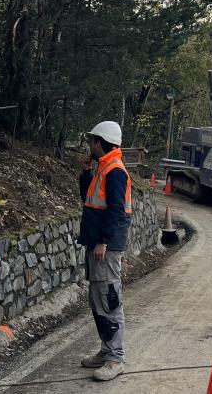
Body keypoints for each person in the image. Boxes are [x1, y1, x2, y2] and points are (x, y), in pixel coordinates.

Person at [78, 121, 132, 382]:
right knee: (98, 299)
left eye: (91, 141)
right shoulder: (103, 167)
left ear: (100, 142)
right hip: (97, 243)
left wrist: (104, 241)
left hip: (105, 247)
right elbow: (87, 199)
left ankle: (115, 358)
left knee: (109, 299)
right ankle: (106, 350)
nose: (89, 145)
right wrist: (86, 172)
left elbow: (116, 210)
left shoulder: (115, 171)